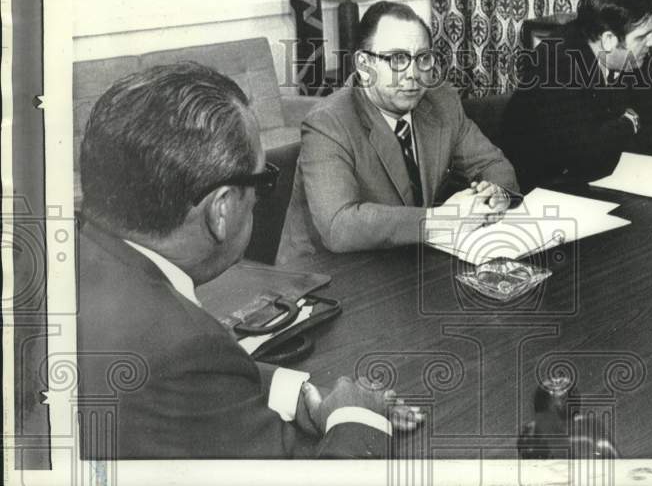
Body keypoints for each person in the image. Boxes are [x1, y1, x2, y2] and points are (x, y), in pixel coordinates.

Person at [77, 62, 422, 459]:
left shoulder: (76, 257)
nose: (259, 197)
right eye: (262, 180)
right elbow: (185, 364)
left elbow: (189, 381)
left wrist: (297, 394)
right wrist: (358, 417)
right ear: (220, 210)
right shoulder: (182, 344)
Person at [277, 1, 519, 261]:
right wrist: (443, 219)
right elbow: (340, 226)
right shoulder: (328, 123)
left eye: (423, 58)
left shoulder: (442, 102)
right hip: (327, 276)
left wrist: (495, 196)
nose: (413, 74)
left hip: (407, 260)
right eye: (398, 59)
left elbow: (495, 165)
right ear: (364, 64)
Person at [501, 0, 652, 190]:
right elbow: (584, 153)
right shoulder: (558, 63)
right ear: (609, 40)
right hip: (537, 189)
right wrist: (630, 122)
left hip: (591, 179)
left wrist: (623, 124)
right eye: (643, 37)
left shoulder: (617, 53)